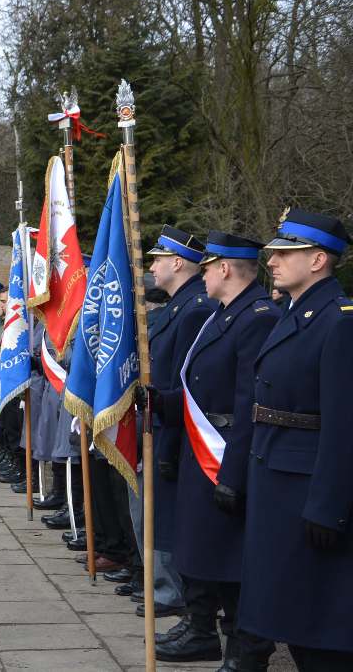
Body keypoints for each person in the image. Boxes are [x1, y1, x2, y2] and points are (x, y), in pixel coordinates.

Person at [143, 231, 279, 667]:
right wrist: (161, 402)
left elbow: (246, 402)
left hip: (225, 451)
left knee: (231, 561)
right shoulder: (221, 315)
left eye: (206, 267)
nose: (201, 275)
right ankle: (201, 629)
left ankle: (243, 648)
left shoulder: (257, 317)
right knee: (201, 550)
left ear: (224, 268)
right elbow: (199, 389)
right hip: (200, 449)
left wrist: (232, 474)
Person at [239, 208, 353, 671]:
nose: (272, 261)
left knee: (318, 627)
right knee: (291, 615)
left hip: (306, 487)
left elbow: (344, 424)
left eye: (286, 254)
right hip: (278, 477)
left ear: (319, 260)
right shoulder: (296, 314)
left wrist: (328, 505)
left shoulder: (339, 322)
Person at [142, 225, 214, 618]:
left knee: (167, 516)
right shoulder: (177, 306)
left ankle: (172, 591)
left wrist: (168, 446)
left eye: (158, 259)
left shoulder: (195, 308)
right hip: (160, 422)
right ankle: (157, 583)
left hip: (173, 429)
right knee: (154, 513)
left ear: (178, 262)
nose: (152, 267)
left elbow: (184, 383)